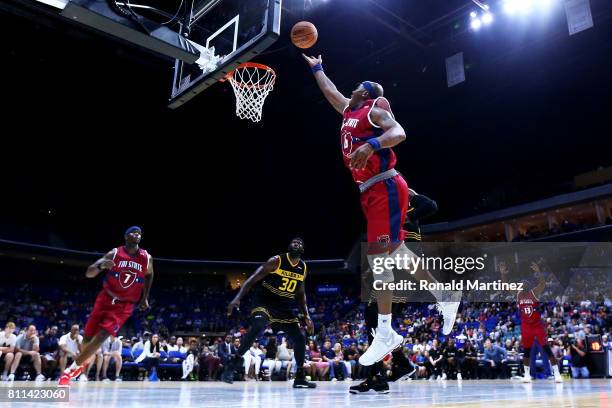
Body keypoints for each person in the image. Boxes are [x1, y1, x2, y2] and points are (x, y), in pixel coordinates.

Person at [303, 54, 461, 370]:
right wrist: (317, 67)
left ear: (367, 93)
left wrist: (372, 145)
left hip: (385, 185)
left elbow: (399, 133)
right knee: (397, 253)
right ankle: (444, 293)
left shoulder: (374, 111)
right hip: (371, 191)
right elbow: (330, 91)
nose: (352, 90)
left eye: (358, 88)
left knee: (379, 258)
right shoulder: (348, 111)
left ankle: (387, 331)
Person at [58, 226, 154, 387]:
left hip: (124, 305)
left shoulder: (146, 257)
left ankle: (70, 371)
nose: (137, 234)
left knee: (103, 335)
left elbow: (150, 274)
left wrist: (145, 298)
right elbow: (89, 273)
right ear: (125, 236)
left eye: (139, 233)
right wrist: (101, 265)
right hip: (105, 299)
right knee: (87, 338)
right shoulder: (114, 253)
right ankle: (83, 362)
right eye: (133, 232)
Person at [225, 238, 316, 388]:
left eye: (300, 243)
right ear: (288, 246)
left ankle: (299, 378)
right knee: (258, 326)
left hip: (283, 306)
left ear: (303, 250)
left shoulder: (303, 268)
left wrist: (307, 315)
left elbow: (300, 294)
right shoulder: (276, 261)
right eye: (294, 242)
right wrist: (237, 298)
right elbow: (253, 278)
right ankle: (231, 366)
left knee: (299, 338)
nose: (297, 244)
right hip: (264, 300)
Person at [518, 262, 562, 383]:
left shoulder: (534, 292)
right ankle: (527, 375)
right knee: (526, 352)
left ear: (528, 286)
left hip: (537, 325)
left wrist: (538, 272)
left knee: (546, 349)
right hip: (527, 327)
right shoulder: (519, 295)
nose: (521, 285)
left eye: (523, 284)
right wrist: (503, 275)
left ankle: (557, 374)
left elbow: (543, 284)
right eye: (520, 284)